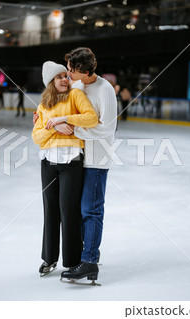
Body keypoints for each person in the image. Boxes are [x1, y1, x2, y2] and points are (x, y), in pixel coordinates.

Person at [32, 61, 98, 277]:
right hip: (48, 163)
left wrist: (63, 119)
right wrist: (55, 126)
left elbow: (91, 117)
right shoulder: (44, 105)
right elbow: (37, 137)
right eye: (59, 77)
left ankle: (72, 261)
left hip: (71, 163)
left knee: (69, 212)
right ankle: (49, 259)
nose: (64, 79)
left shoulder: (75, 96)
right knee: (50, 211)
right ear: (51, 81)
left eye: (65, 76)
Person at [60, 47, 118, 282]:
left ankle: (90, 262)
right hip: (77, 157)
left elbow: (107, 128)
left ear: (84, 71)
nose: (68, 73)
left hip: (97, 160)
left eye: (71, 70)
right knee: (77, 211)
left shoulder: (105, 90)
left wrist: (77, 130)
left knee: (91, 210)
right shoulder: (77, 86)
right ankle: (88, 253)